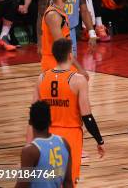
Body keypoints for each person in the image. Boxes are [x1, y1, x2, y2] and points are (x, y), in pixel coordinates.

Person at [32, 38, 105, 184]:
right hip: (70, 136)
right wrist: (99, 140)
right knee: (68, 181)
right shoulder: (78, 80)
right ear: (70, 56)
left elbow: (34, 114)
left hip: (46, 136)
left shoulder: (42, 78)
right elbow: (87, 116)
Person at [16, 101, 74, 188]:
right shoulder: (63, 143)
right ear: (50, 121)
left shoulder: (29, 151)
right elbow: (68, 182)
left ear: (30, 122)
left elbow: (22, 185)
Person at [40, 0, 88, 77]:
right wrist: (80, 68)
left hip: (62, 61)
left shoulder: (60, 12)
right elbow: (62, 47)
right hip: (54, 63)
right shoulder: (53, 15)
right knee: (79, 84)